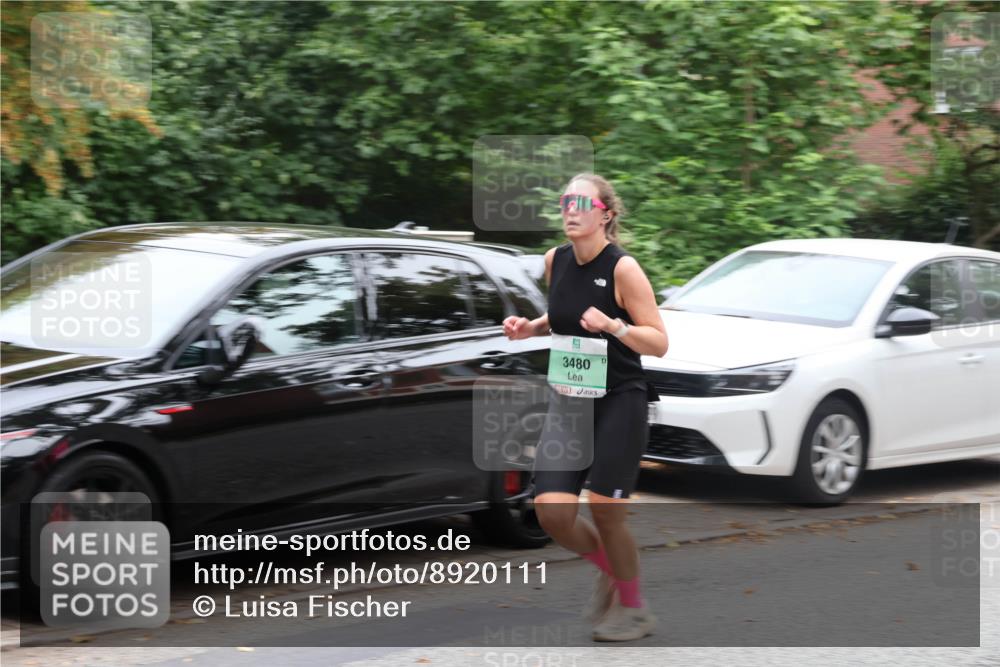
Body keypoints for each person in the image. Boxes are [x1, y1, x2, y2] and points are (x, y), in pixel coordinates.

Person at [503, 173, 668, 642]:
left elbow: (658, 342)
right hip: (570, 400)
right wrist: (528, 328)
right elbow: (560, 318)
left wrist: (615, 327)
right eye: (564, 202)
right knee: (551, 511)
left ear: (605, 214)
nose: (570, 210)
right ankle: (612, 572)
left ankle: (634, 610)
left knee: (605, 511)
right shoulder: (557, 260)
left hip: (620, 400)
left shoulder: (623, 269)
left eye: (580, 202)